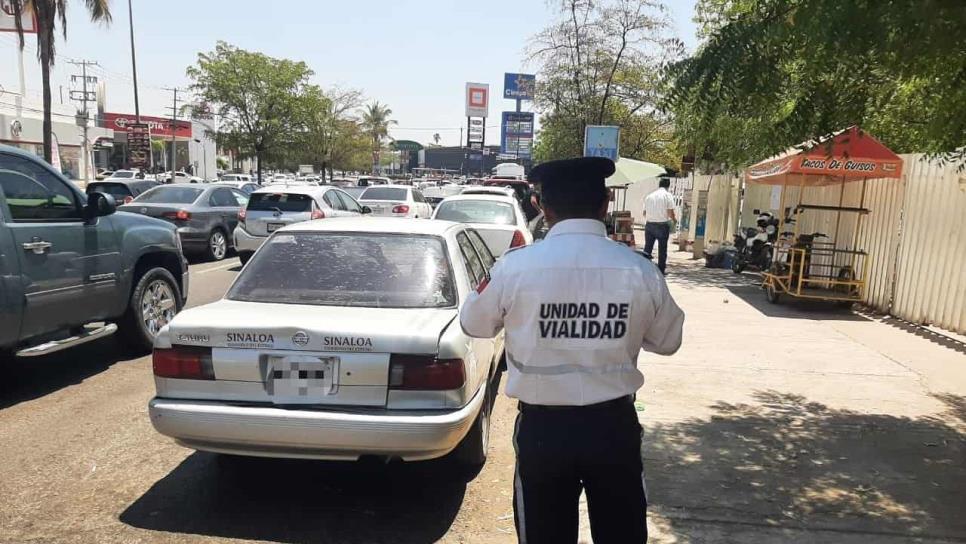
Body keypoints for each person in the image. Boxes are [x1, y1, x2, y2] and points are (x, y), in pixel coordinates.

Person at [460, 157, 685, 544]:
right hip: (613, 428)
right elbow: (668, 342)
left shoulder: (515, 268)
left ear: (543, 209)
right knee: (622, 534)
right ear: (605, 205)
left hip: (544, 432)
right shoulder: (639, 270)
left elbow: (473, 324)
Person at [643, 178, 677, 274]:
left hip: (649, 225)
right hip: (662, 226)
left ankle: (645, 268)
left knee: (647, 248)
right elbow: (670, 212)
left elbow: (644, 213)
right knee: (662, 249)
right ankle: (661, 270)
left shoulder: (649, 196)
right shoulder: (667, 195)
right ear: (668, 185)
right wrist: (674, 220)